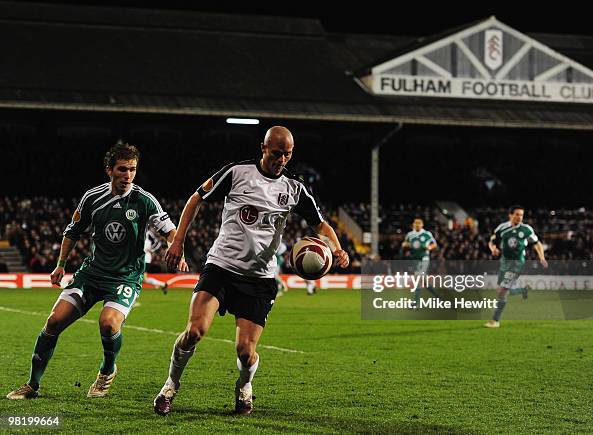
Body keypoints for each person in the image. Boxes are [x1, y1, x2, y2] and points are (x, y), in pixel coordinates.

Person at [153, 126, 349, 416]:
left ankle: (244, 388)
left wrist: (337, 247)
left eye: (287, 154)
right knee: (194, 331)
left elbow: (320, 224)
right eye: (276, 153)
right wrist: (178, 241)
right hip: (221, 266)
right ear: (263, 147)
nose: (281, 159)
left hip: (260, 279)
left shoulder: (294, 188)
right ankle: (170, 385)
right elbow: (196, 198)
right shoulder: (237, 172)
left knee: (245, 351)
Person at [6, 142, 187, 400]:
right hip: (92, 274)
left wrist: (175, 249)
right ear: (109, 170)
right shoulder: (93, 197)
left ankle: (107, 369)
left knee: (108, 323)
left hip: (125, 277)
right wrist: (60, 264)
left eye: (132, 170)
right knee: (53, 322)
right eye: (122, 169)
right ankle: (32, 385)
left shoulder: (145, 201)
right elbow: (73, 232)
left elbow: (170, 231)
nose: (128, 176)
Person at [485, 205, 547, 328]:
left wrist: (541, 256)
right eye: (517, 214)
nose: (519, 217)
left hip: (517, 263)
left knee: (502, 291)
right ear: (510, 215)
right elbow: (492, 241)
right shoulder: (502, 228)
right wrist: (493, 249)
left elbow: (537, 243)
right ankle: (523, 290)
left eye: (521, 215)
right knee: (502, 291)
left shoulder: (526, 229)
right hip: (504, 262)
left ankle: (495, 321)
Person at [401, 218, 439, 303]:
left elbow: (434, 244)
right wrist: (408, 245)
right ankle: (438, 296)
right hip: (415, 259)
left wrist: (429, 247)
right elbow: (404, 244)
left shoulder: (426, 234)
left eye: (419, 223)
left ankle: (416, 302)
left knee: (418, 277)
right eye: (416, 223)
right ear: (413, 225)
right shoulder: (410, 234)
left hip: (424, 258)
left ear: (422, 225)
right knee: (424, 282)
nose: (417, 225)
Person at [143, 228, 169, 294]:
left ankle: (133, 299)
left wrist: (151, 250)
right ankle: (163, 285)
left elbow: (158, 243)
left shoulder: (148, 233)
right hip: (141, 257)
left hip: (145, 258)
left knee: (139, 278)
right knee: (143, 279)